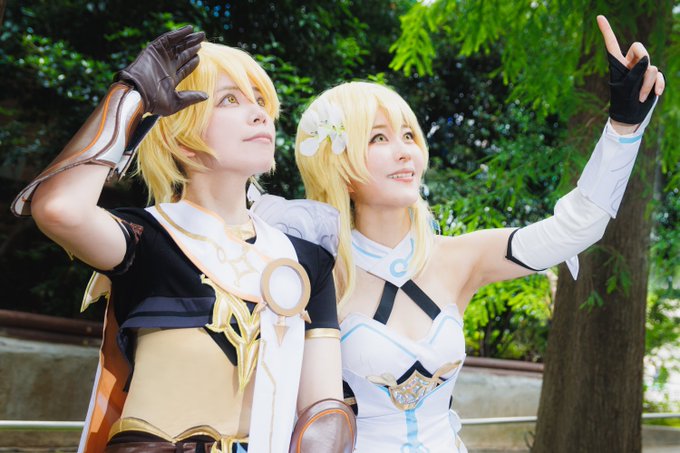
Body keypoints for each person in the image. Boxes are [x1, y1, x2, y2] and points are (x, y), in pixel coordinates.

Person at [293, 16, 664, 452]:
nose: (405, 151)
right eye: (378, 138)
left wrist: (623, 129)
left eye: (408, 135)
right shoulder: (316, 272)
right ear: (337, 164)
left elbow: (576, 227)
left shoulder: (461, 257)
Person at [12, 27, 356, 453]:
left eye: (260, 101)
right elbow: (59, 209)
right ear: (181, 141)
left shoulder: (307, 262)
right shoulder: (148, 238)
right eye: (229, 100)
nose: (259, 114)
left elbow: (324, 416)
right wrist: (130, 98)